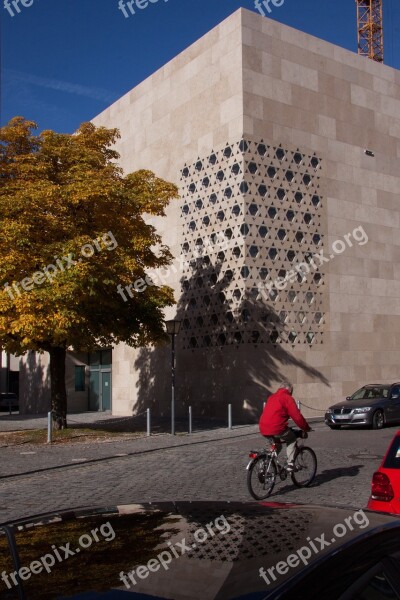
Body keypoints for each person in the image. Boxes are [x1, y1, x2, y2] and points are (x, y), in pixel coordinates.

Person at [259, 380, 311, 472]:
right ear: (290, 390)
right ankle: (290, 464)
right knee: (291, 439)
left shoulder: (271, 397)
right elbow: (297, 417)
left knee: (277, 445)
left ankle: (265, 463)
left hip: (263, 428)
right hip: (277, 428)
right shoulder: (287, 398)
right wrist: (306, 428)